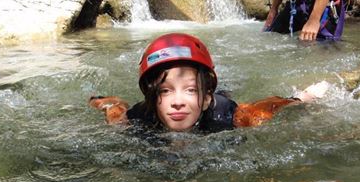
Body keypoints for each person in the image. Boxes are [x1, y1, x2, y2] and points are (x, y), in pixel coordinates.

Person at [89, 33, 329, 133]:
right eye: (165, 91)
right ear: (153, 98)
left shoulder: (229, 116)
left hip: (217, 103)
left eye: (190, 90)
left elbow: (269, 108)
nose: (178, 102)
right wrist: (106, 104)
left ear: (205, 99)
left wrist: (301, 99)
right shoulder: (139, 118)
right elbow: (115, 114)